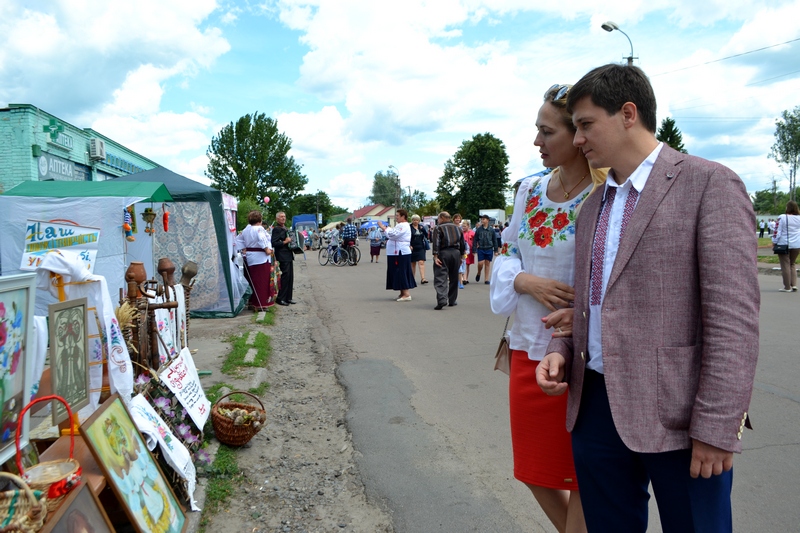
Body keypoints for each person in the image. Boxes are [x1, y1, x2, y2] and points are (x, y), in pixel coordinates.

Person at [537, 64, 760, 533]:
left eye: (584, 124)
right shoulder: (594, 205)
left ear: (628, 114)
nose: (577, 140)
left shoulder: (709, 185)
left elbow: (732, 322)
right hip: (595, 407)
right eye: (574, 127)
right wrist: (560, 351)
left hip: (680, 415)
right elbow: (591, 302)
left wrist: (718, 427)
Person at [491, 83, 606, 533]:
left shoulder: (604, 193)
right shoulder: (530, 190)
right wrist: (523, 279)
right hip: (528, 345)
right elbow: (507, 254)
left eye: (546, 132)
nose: (536, 142)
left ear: (578, 135)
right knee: (533, 471)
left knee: (583, 477)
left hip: (584, 355)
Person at [235, 210, 275, 311]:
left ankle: (252, 302)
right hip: (261, 257)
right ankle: (260, 303)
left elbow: (238, 240)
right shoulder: (259, 229)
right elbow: (262, 239)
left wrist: (244, 248)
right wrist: (266, 249)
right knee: (261, 281)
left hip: (250, 256)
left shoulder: (246, 229)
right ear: (260, 219)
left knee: (253, 280)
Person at [378, 209, 416, 301]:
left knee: (401, 271)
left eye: (398, 215)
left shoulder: (403, 225)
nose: (396, 217)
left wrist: (383, 228)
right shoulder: (400, 225)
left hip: (400, 251)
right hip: (396, 251)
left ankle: (406, 294)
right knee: (396, 271)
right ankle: (402, 292)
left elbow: (392, 234)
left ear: (403, 216)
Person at [431, 212, 465, 310]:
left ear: (442, 218)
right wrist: (462, 256)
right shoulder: (458, 228)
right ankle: (452, 300)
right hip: (456, 253)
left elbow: (436, 242)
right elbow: (462, 243)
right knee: (454, 277)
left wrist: (435, 256)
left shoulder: (438, 228)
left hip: (443, 253)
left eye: (438, 218)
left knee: (441, 277)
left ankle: (442, 299)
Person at [772, 200, 800, 292]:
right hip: (796, 245)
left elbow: (777, 231)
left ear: (787, 208)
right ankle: (794, 284)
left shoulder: (782, 217)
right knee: (792, 264)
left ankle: (787, 287)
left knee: (785, 265)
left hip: (784, 244)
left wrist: (774, 241)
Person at [271, 211, 296, 306]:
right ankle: (281, 298)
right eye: (281, 217)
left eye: (284, 216)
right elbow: (274, 243)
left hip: (288, 255)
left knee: (290, 277)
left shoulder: (285, 228)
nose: (283, 218)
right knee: (285, 276)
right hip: (282, 255)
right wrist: (285, 242)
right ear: (277, 218)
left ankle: (288, 297)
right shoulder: (276, 229)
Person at [474, 214, 499, 284]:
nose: (482, 220)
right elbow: (475, 240)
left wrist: (496, 250)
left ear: (488, 220)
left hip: (489, 248)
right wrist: (474, 249)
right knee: (480, 263)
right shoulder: (478, 230)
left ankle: (486, 279)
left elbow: (494, 240)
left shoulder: (491, 230)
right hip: (481, 248)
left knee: (487, 264)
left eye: (484, 219)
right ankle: (479, 272)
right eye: (482, 219)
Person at [409, 214, 430, 284]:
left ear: (419, 221)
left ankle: (423, 278)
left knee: (421, 262)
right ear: (412, 220)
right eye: (414, 220)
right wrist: (409, 245)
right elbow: (406, 237)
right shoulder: (409, 227)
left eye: (417, 220)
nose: (415, 221)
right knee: (413, 263)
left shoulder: (421, 227)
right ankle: (412, 278)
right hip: (412, 247)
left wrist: (423, 230)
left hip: (421, 247)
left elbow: (426, 235)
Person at [459, 217, 475, 283]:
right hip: (463, 251)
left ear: (468, 226)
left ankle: (466, 278)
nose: (463, 227)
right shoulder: (461, 233)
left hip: (469, 251)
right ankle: (463, 278)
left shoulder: (472, 233)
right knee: (463, 263)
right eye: (462, 226)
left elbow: (475, 241)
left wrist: (474, 249)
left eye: (465, 226)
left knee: (467, 264)